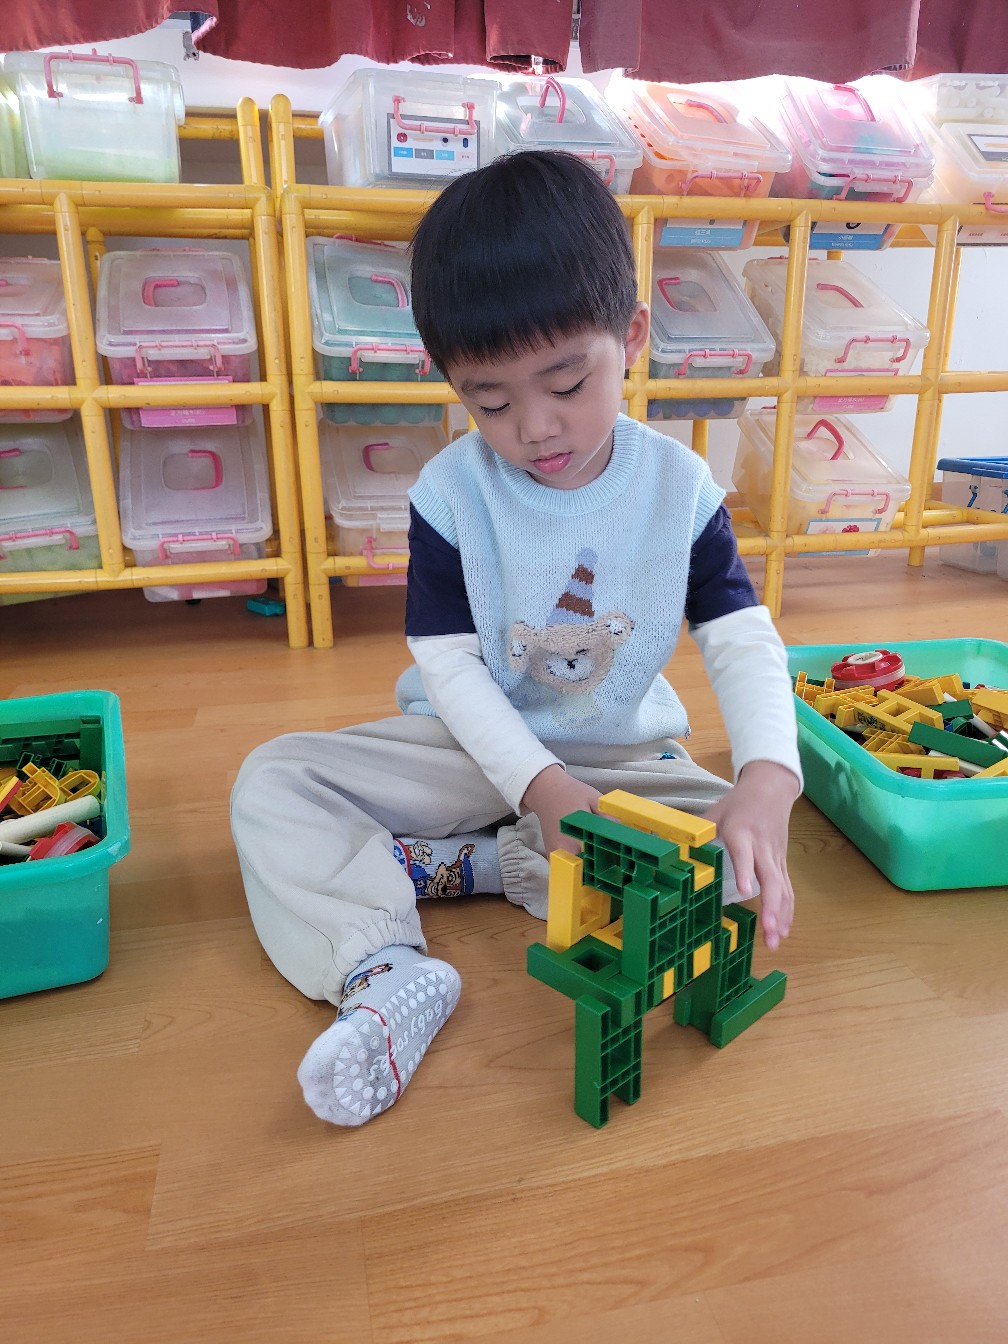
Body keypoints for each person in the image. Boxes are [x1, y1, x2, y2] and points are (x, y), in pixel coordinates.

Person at [230, 150, 801, 1129]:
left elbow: (741, 637)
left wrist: (768, 782)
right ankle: (383, 966)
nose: (536, 426)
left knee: (738, 869)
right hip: (469, 749)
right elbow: (450, 668)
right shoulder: (450, 496)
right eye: (490, 401)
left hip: (624, 763)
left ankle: (489, 866)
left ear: (632, 338)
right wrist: (541, 789)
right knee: (275, 781)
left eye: (568, 380)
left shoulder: (681, 490)